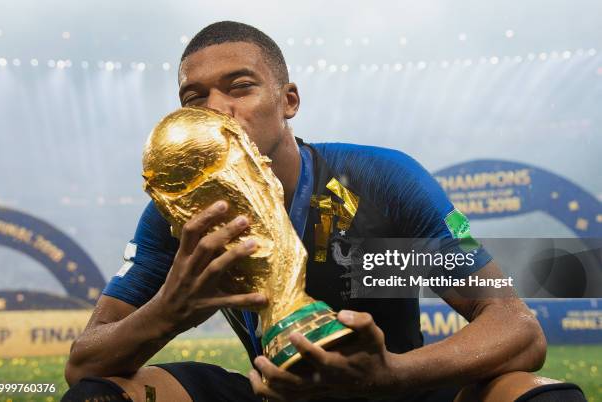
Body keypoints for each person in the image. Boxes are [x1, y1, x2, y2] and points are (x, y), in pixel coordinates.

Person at [63, 21, 585, 402]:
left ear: (288, 100)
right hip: (277, 392)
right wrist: (167, 311)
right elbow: (84, 361)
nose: (217, 109)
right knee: (99, 395)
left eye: (240, 86)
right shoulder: (177, 217)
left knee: (542, 397)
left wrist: (392, 375)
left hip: (401, 389)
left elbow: (517, 327)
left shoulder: (384, 181)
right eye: (194, 97)